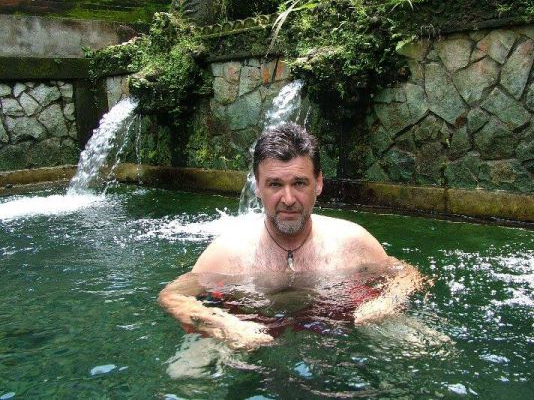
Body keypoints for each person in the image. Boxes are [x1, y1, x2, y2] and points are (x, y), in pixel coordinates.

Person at [158, 122, 424, 349]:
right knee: (188, 375)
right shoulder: (227, 252)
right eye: (275, 184)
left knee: (421, 345)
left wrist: (386, 302)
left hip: (335, 334)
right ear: (257, 186)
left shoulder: (353, 241)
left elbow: (407, 275)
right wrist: (223, 325)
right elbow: (172, 296)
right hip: (247, 333)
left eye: (299, 183)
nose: (288, 199)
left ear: (318, 183)